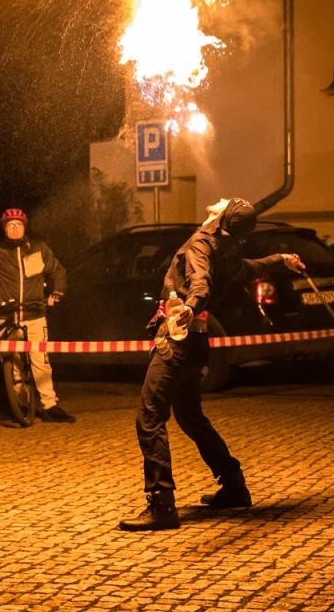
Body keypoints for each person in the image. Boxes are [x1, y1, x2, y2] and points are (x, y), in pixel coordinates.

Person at [121, 198, 306, 532]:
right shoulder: (226, 249)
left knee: (149, 417)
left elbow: (200, 282)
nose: (219, 199)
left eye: (226, 202)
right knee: (191, 417)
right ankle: (233, 486)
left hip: (177, 340)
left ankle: (161, 505)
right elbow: (250, 268)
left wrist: (190, 306)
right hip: (197, 343)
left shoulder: (201, 244)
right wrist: (282, 260)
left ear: (222, 217)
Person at [0, 208, 71, 424]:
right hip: (7, 316)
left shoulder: (39, 249)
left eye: (18, 225)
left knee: (40, 361)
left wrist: (57, 292)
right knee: (12, 363)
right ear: (4, 229)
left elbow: (58, 272)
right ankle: (20, 403)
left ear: (25, 227)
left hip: (35, 314)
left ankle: (50, 405)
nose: (14, 229)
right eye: (10, 225)